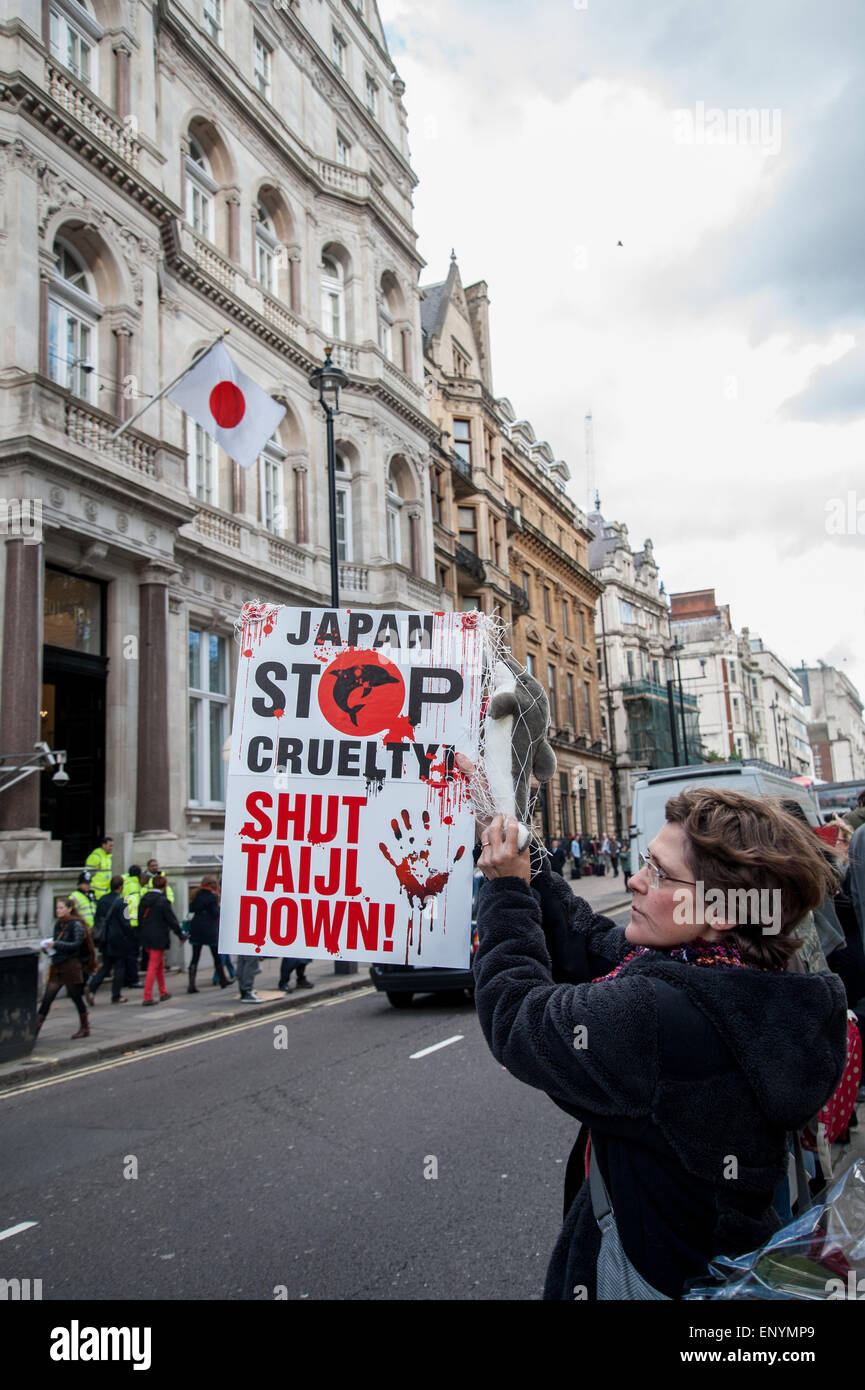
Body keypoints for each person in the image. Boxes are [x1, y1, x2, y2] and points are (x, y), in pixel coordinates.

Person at [473, 787, 848, 1301]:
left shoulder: (659, 1017)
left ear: (719, 911)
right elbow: (592, 943)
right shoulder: (746, 976)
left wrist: (504, 892)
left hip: (642, 1277)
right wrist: (529, 860)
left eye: (660, 872)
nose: (635, 878)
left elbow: (516, 1016)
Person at [35, 899, 94, 1039]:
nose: (58, 911)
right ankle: (34, 1031)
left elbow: (76, 944)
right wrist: (48, 948)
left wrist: (55, 944)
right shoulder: (59, 924)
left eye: (61, 908)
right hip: (58, 965)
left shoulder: (76, 924)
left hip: (71, 966)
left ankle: (85, 1027)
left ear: (69, 909)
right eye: (57, 908)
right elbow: (58, 943)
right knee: (47, 998)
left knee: (75, 997)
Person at [88, 874, 137, 1004]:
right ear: (120, 887)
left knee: (106, 966)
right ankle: (116, 995)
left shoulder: (102, 900)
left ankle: (92, 988)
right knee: (119, 967)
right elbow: (126, 923)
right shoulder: (122, 902)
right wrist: (132, 936)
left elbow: (97, 918)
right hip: (118, 938)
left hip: (104, 938)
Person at [137, 875, 184, 1004]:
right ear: (164, 886)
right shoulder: (163, 901)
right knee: (153, 966)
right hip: (158, 938)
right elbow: (172, 921)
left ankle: (163, 992)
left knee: (159, 965)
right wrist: (180, 935)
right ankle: (147, 997)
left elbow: (139, 918)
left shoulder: (144, 899)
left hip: (146, 936)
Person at [185, 876, 228, 993]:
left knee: (195, 956)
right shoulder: (213, 897)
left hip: (196, 926)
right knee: (216, 955)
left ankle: (191, 984)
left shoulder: (195, 894)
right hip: (209, 927)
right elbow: (215, 913)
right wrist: (219, 907)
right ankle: (223, 979)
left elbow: (192, 909)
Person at [85, 835, 114, 900]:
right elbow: (88, 875)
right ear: (103, 845)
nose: (112, 848)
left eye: (112, 846)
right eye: (110, 846)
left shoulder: (108, 857)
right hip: (96, 893)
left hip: (105, 892)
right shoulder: (95, 856)